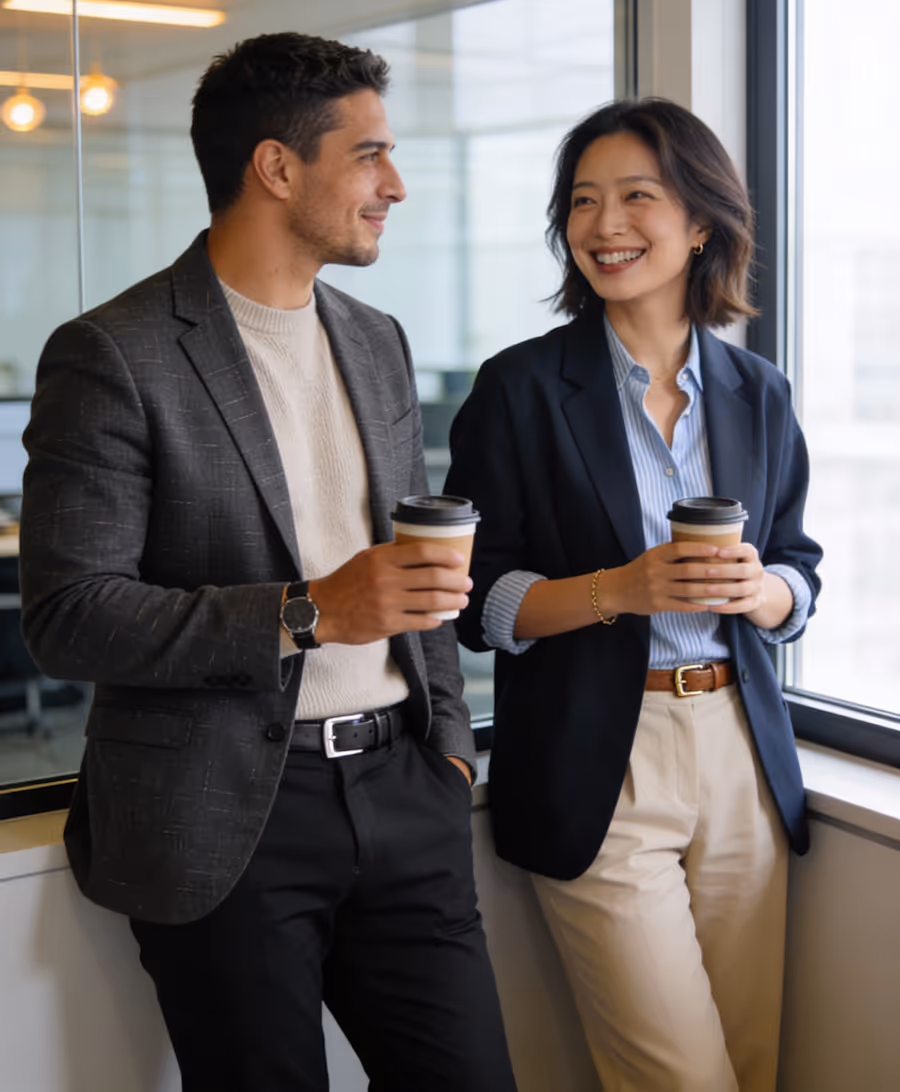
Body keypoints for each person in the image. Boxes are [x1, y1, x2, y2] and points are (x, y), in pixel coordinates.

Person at [19, 32, 516, 1092]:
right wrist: (307, 613)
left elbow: (406, 574)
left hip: (404, 790)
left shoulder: (376, 337)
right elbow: (68, 613)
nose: (398, 186)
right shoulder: (114, 351)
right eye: (371, 155)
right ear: (277, 167)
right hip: (225, 820)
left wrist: (448, 749)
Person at [445, 98, 822, 1092]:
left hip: (740, 750)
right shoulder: (521, 389)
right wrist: (619, 588)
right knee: (680, 1077)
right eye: (582, 202)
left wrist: (767, 591)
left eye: (636, 198)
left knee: (749, 1064)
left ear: (701, 222)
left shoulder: (759, 391)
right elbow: (477, 602)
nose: (604, 226)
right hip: (599, 761)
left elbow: (799, 564)